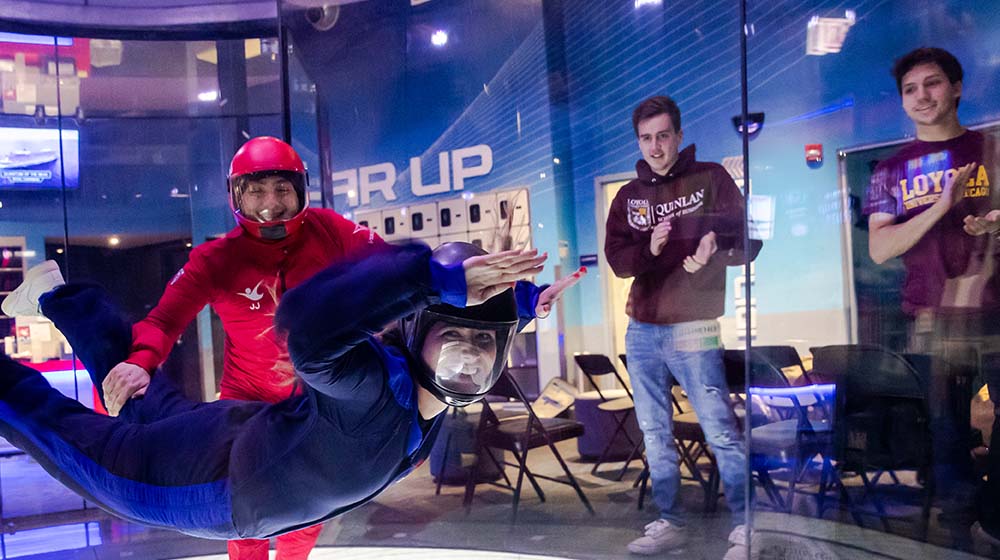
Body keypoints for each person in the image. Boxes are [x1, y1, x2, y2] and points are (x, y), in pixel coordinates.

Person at [0, 241, 583, 541]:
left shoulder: (422, 386)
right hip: (201, 486)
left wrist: (521, 306)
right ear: (417, 330)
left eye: (486, 342)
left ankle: (58, 294)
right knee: (49, 425)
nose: (469, 354)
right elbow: (308, 328)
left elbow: (470, 335)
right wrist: (433, 278)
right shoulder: (368, 388)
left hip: (234, 437)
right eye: (452, 333)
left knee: (135, 391)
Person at [104, 136, 379, 560]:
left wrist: (456, 280)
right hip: (246, 406)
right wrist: (141, 361)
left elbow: (399, 267)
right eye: (256, 190)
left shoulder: (330, 230)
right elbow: (162, 320)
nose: (271, 203)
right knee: (245, 512)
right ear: (237, 194)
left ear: (300, 190)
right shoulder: (217, 258)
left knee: (307, 509)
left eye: (282, 189)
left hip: (317, 404)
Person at [604, 95, 761, 557]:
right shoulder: (629, 197)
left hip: (695, 324)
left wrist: (719, 245)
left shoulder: (711, 177)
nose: (655, 146)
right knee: (654, 431)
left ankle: (745, 525)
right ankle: (670, 520)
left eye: (663, 136)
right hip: (643, 329)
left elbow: (749, 239)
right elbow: (617, 261)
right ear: (639, 141)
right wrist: (650, 250)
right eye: (646, 138)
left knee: (718, 428)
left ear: (679, 135)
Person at [863, 47, 1000, 548]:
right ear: (902, 100)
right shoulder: (889, 171)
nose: (922, 96)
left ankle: (992, 514)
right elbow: (880, 248)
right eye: (911, 89)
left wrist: (993, 226)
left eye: (933, 83)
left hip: (996, 309)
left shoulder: (992, 150)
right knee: (946, 434)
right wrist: (941, 205)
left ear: (957, 88)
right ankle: (963, 532)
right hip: (931, 317)